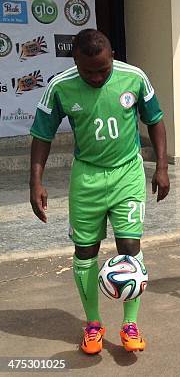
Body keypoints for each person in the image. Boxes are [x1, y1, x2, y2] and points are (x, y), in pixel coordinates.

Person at [29, 29, 170, 354]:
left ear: (112, 57)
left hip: (127, 174)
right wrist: (35, 181)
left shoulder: (134, 78)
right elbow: (42, 135)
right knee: (85, 252)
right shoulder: (59, 87)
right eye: (87, 70)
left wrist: (161, 166)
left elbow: (156, 120)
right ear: (75, 61)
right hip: (87, 179)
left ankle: (130, 324)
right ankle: (93, 324)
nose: (95, 76)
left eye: (103, 70)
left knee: (129, 246)